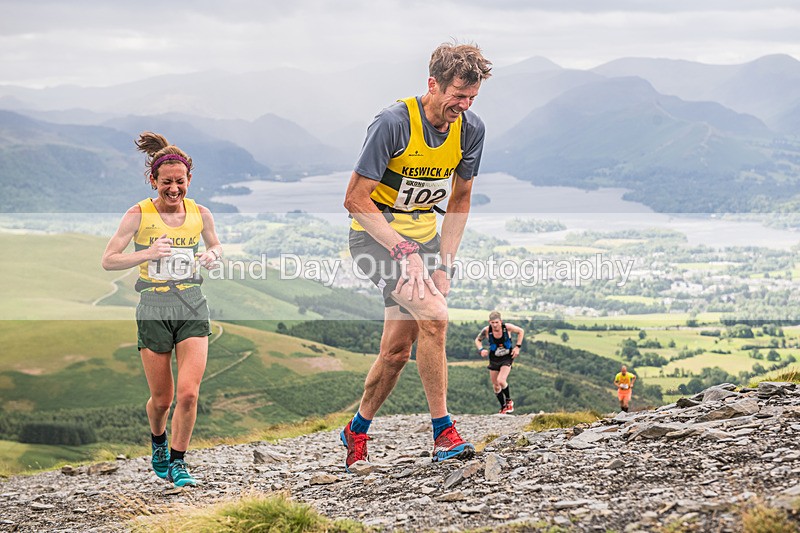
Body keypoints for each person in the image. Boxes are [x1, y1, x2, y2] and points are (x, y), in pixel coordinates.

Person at [341, 42, 492, 470]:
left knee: (395, 352)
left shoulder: (470, 129)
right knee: (435, 317)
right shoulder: (393, 123)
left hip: (423, 242)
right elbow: (354, 199)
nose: (462, 106)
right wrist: (403, 250)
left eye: (471, 99)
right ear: (433, 84)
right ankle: (443, 432)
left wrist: (444, 264)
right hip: (375, 240)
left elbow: (460, 200)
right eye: (456, 96)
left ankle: (356, 429)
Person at [101, 132, 222, 487]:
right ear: (153, 180)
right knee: (161, 399)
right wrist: (147, 254)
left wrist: (212, 256)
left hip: (191, 304)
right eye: (166, 182)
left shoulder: (201, 213)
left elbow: (216, 246)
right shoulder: (138, 213)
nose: (173, 189)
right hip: (154, 306)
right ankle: (158, 442)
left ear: (189, 180)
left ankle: (179, 460)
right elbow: (109, 260)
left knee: (188, 393)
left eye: (179, 182)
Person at [475, 311, 524, 414]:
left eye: (496, 322)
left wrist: (517, 347)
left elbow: (521, 331)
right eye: (492, 322)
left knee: (501, 380)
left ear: (500, 321)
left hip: (507, 357)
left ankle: (509, 401)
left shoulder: (507, 327)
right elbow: (478, 340)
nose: (495, 325)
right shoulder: (487, 330)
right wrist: (481, 350)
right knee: (496, 385)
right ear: (489, 322)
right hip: (494, 358)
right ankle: (503, 407)